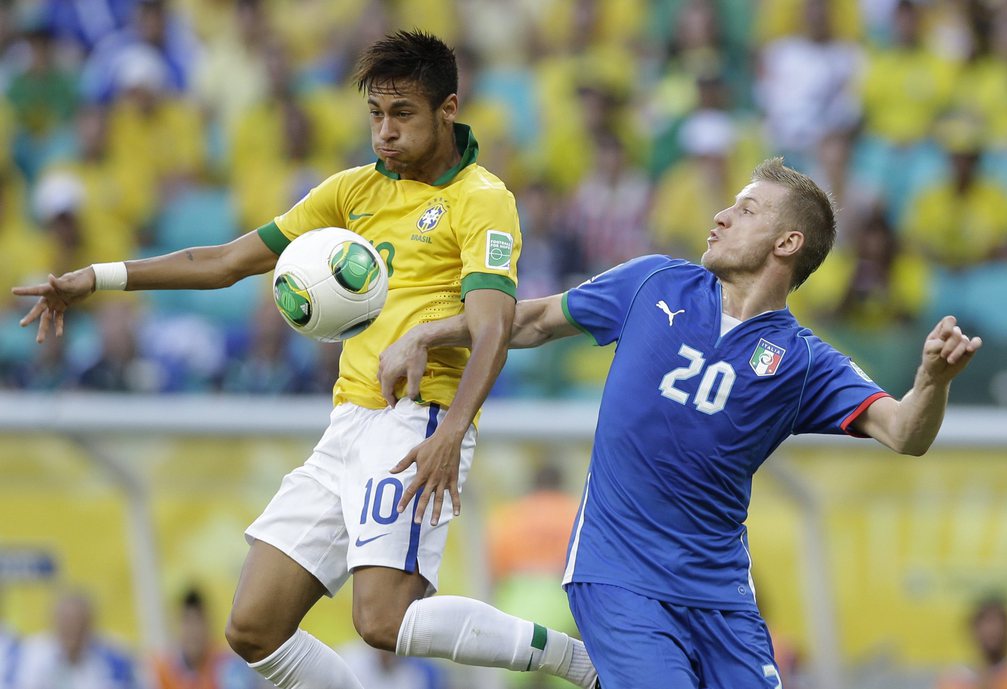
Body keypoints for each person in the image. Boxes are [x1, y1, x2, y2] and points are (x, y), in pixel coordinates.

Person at [12, 30, 596, 689]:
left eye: (402, 115)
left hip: (418, 421)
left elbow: (493, 327)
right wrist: (97, 276)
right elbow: (223, 262)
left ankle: (582, 661)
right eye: (375, 115)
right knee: (254, 626)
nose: (385, 133)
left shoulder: (483, 199)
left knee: (382, 620)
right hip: (347, 423)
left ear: (448, 109)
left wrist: (453, 431)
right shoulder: (352, 192)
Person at [379, 157, 983, 689]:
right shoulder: (654, 282)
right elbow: (533, 320)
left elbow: (905, 433)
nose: (719, 215)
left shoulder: (802, 361)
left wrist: (931, 381)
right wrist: (432, 331)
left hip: (722, 598)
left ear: (787, 243)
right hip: (618, 577)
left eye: (746, 210)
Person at [11, 590, 139, 689]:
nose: (73, 628)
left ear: (90, 624)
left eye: (79, 622)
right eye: (66, 622)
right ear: (53, 623)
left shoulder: (115, 656)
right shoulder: (31, 654)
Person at [151, 587, 260, 689]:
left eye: (198, 621)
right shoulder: (164, 670)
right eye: (187, 622)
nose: (193, 631)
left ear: (208, 625)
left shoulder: (226, 666)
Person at [935, 595, 1007, 689]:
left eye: (998, 624)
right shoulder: (955, 678)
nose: (993, 630)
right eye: (987, 623)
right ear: (973, 630)